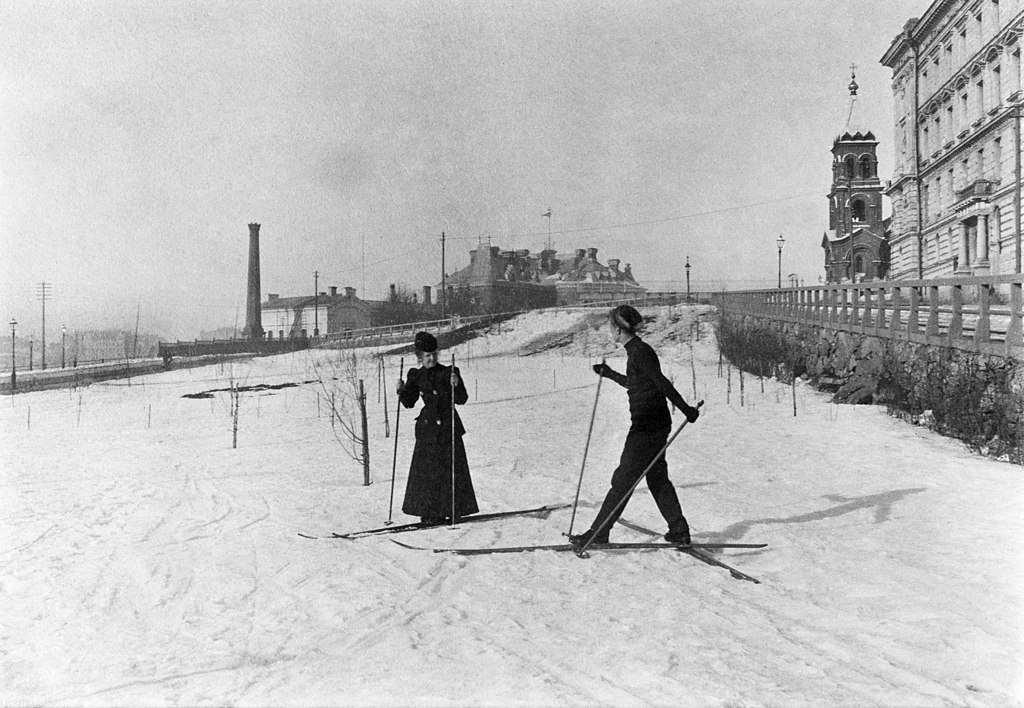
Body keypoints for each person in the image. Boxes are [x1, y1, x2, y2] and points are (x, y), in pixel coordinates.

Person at [570, 305, 700, 547]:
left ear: (620, 330)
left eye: (611, 328)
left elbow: (661, 383)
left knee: (623, 480)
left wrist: (686, 409)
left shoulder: (640, 352)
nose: (610, 332)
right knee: (657, 478)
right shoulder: (636, 352)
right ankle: (679, 530)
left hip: (647, 427)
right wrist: (609, 374)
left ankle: (599, 533)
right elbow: (637, 383)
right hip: (652, 424)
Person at [397, 331, 478, 524]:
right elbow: (409, 402)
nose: (431, 358)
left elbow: (462, 399)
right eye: (427, 355)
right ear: (419, 357)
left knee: (451, 469)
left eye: (433, 354)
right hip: (428, 430)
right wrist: (401, 390)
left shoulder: (449, 372)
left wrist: (456, 385)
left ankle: (454, 509)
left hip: (448, 427)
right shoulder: (416, 375)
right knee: (427, 472)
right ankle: (429, 512)